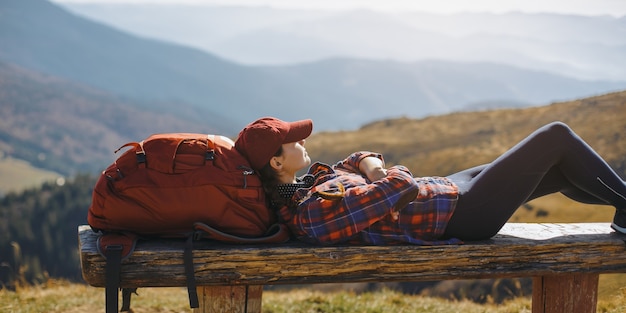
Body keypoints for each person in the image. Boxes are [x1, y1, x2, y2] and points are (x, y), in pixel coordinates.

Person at [234, 117, 626, 245]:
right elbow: (400, 187)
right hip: (463, 214)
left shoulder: (304, 187)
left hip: (448, 189)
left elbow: (356, 159)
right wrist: (384, 175)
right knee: (555, 136)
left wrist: (372, 170)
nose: (300, 139)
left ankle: (622, 215)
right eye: (291, 141)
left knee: (557, 166)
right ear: (274, 161)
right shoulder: (311, 215)